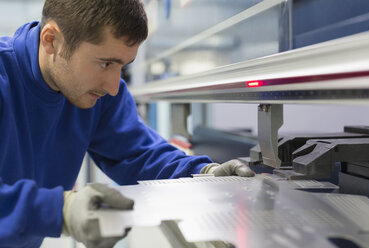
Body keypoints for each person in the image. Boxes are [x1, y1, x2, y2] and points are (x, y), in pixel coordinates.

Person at [0, 0, 254, 247]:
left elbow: (139, 155)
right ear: (51, 40)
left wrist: (203, 175)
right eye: (105, 63)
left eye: (122, 65)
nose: (113, 87)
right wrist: (61, 210)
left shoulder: (98, 94)